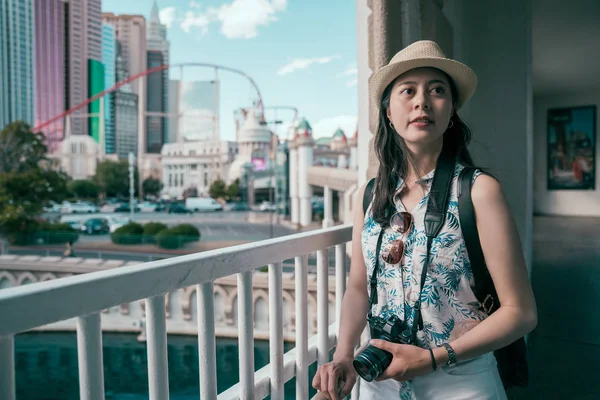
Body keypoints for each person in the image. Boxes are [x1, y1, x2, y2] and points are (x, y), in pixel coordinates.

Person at [312, 40, 537, 399]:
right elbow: (358, 288)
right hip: (378, 382)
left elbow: (521, 312)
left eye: (437, 90)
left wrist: (433, 358)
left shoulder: (479, 192)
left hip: (461, 383)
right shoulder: (370, 196)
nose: (422, 101)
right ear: (388, 111)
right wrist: (342, 356)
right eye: (408, 90)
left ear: (451, 112)